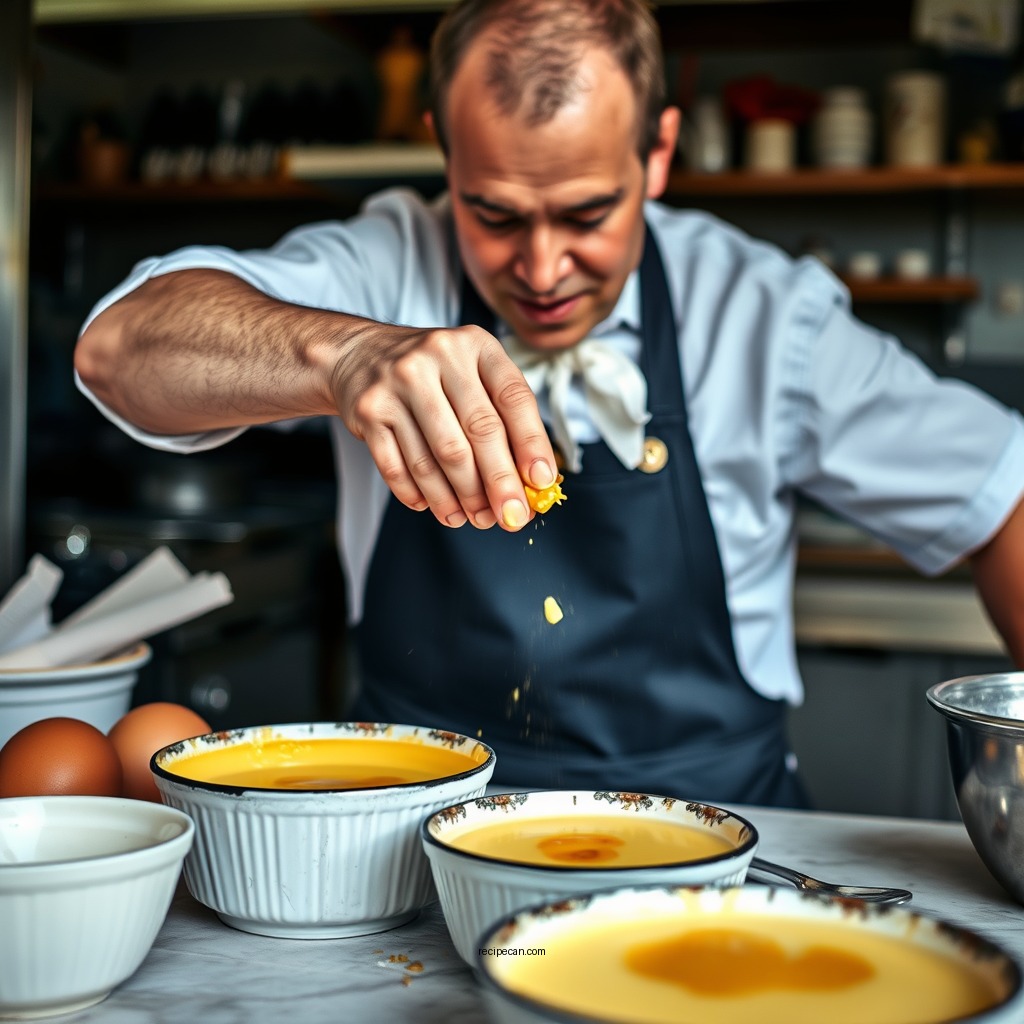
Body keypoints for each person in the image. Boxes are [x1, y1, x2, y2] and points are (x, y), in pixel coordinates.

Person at [74, 0, 1024, 808]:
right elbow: (118, 350)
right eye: (493, 214)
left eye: (584, 214)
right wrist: (346, 352)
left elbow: (1004, 499)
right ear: (444, 156)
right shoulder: (384, 264)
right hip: (411, 834)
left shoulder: (768, 316)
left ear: (656, 154)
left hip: (717, 845)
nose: (539, 270)